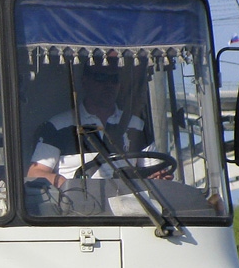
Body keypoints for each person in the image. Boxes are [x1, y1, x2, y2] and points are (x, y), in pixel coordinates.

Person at [26, 61, 163, 186]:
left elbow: (152, 172)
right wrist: (67, 184)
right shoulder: (57, 127)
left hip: (129, 207)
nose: (108, 85)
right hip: (77, 208)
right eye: (101, 78)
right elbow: (35, 173)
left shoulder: (137, 125)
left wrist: (159, 177)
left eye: (114, 79)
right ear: (85, 82)